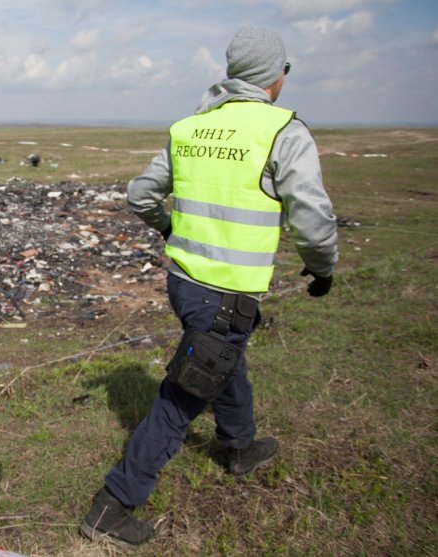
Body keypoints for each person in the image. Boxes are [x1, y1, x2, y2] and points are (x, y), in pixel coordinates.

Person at [79, 27, 338, 546]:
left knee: (223, 358)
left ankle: (239, 446)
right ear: (275, 76)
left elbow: (140, 194)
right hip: (227, 294)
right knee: (182, 395)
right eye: (284, 71)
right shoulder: (283, 130)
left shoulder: (191, 127)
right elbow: (312, 217)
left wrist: (169, 227)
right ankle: (113, 506)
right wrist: (323, 268)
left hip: (184, 283)